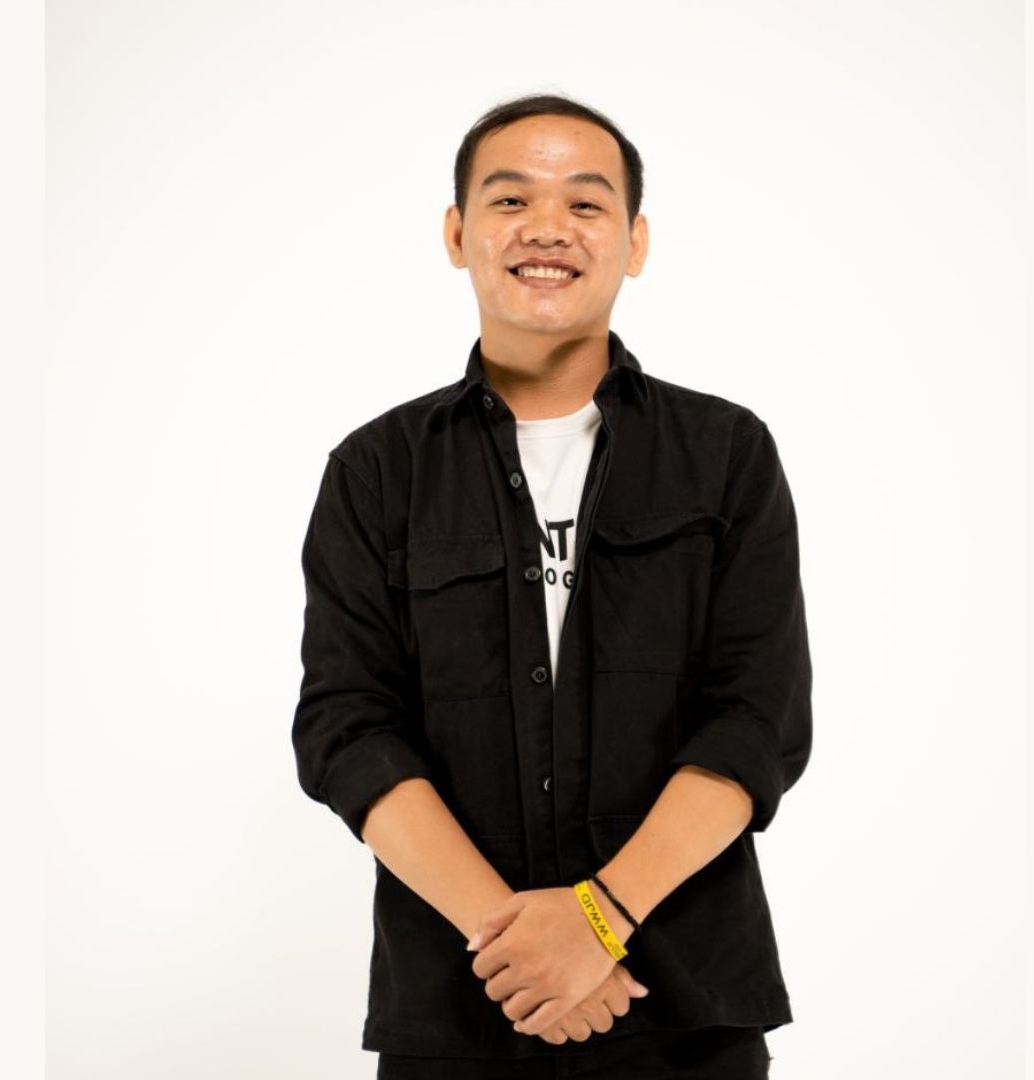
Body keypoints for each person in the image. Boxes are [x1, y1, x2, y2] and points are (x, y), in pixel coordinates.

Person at [291, 92, 812, 1077]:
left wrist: (599, 920)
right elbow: (348, 731)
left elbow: (757, 720)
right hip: (458, 1011)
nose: (546, 228)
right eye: (510, 200)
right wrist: (525, 947)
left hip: (687, 1011)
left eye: (585, 202)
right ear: (457, 234)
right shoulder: (377, 471)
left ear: (635, 241)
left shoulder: (725, 455)